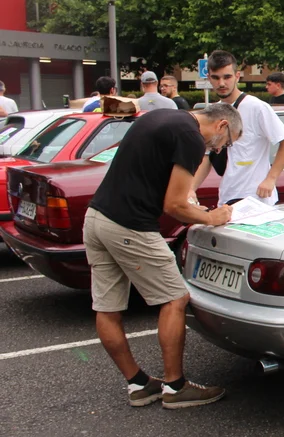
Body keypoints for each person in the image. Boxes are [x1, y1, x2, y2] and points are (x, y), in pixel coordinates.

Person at [85, 101, 242, 409]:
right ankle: (175, 387)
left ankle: (138, 384)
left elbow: (151, 174)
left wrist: (188, 199)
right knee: (175, 299)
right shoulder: (191, 138)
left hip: (97, 217)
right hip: (130, 226)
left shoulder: (161, 117)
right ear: (222, 125)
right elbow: (174, 206)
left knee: (107, 307)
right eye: (226, 143)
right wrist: (213, 217)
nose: (219, 149)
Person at [191, 50, 284, 205]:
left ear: (237, 76)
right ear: (209, 78)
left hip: (257, 198)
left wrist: (271, 179)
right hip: (227, 197)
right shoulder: (212, 112)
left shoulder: (257, 107)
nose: (221, 83)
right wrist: (191, 189)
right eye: (216, 77)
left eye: (227, 77)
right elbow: (207, 156)